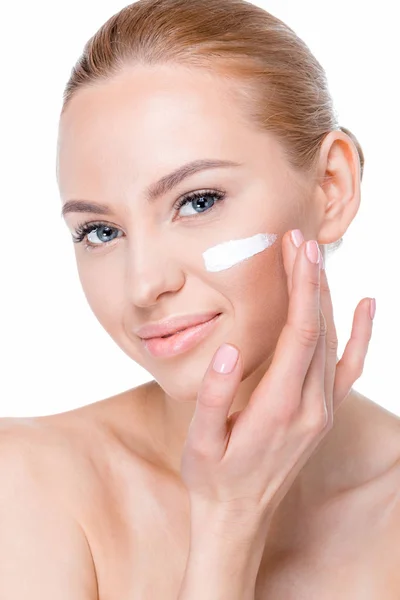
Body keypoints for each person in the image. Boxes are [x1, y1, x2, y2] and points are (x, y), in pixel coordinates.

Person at [1, 0, 399, 598]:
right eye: (100, 231)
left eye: (198, 201)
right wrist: (228, 520)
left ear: (331, 188)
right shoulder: (27, 484)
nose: (143, 285)